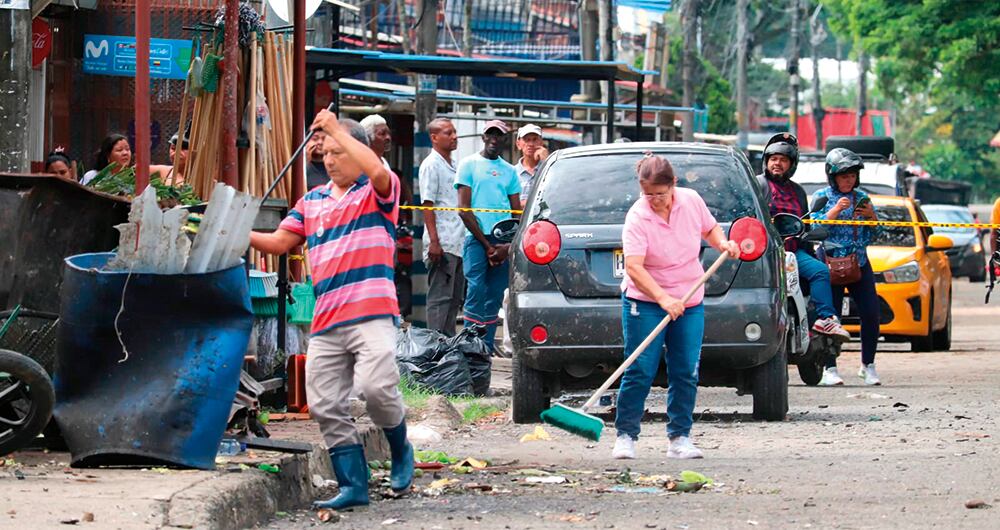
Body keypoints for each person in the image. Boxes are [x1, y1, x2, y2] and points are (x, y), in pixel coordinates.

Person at [248, 111, 413, 510]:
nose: (330, 160)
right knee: (323, 402)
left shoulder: (378, 192)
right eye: (327, 154)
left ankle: (400, 447)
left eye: (339, 152)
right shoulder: (312, 201)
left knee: (376, 388)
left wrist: (336, 128)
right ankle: (353, 484)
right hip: (328, 319)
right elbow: (277, 243)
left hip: (372, 312)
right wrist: (230, 230)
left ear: (358, 152)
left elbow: (377, 169)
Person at [612, 152, 739, 461]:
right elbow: (635, 268)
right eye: (648, 194)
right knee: (640, 368)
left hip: (689, 298)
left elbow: (709, 229)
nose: (654, 200)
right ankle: (626, 435)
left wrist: (723, 243)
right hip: (645, 301)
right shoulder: (637, 217)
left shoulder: (691, 200)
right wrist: (663, 298)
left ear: (674, 185)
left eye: (660, 194)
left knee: (685, 370)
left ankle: (679, 437)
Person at [758, 133, 850, 340]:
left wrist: (809, 237)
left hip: (792, 252)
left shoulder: (797, 191)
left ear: (791, 164)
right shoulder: (758, 185)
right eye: (773, 159)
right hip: (765, 253)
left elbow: (805, 223)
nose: (777, 163)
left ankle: (825, 319)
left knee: (819, 270)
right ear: (766, 161)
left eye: (783, 160)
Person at [810, 148, 881, 386]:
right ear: (832, 176)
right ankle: (829, 368)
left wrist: (872, 217)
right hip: (829, 266)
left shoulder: (863, 198)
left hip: (859, 264)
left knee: (871, 313)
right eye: (843, 175)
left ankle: (868, 366)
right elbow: (814, 229)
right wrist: (835, 211)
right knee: (831, 318)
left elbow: (876, 234)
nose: (848, 180)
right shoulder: (821, 196)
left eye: (852, 175)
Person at [455, 120, 521, 349]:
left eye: (499, 135)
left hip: (502, 242)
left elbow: (516, 213)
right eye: (490, 135)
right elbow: (464, 210)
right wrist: (486, 245)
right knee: (475, 290)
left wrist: (506, 246)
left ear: (505, 139)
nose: (494, 139)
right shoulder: (468, 165)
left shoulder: (510, 171)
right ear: (483, 137)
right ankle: (469, 346)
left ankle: (485, 347)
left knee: (494, 296)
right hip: (477, 239)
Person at [419, 117, 465, 335]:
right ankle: (435, 349)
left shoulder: (455, 165)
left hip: (457, 243)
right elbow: (427, 204)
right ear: (434, 138)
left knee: (454, 299)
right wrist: (434, 241)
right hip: (442, 243)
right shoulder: (431, 164)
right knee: (439, 299)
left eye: (454, 132)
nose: (454, 136)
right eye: (448, 133)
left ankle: (448, 349)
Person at [513, 123, 549, 204]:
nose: (531, 144)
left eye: (534, 139)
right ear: (518, 144)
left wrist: (547, 161)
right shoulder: (512, 173)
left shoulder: (548, 170)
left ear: (541, 143)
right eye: (527, 140)